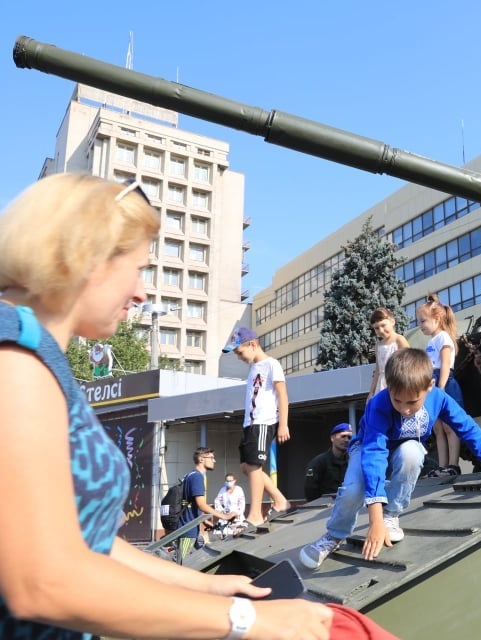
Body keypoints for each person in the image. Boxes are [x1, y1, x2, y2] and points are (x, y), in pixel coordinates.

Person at [0, 174, 333, 638]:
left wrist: (203, 587)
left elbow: (88, 546)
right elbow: (43, 580)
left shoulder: (39, 357)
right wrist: (247, 621)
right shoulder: (13, 358)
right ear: (85, 256)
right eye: (136, 270)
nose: (140, 293)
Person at [299, 348, 481, 569]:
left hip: (405, 447)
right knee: (354, 489)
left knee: (412, 453)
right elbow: (374, 454)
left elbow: (465, 424)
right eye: (398, 400)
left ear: (429, 386)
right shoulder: (379, 405)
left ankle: (391, 514)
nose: (404, 409)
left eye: (412, 402)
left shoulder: (438, 398)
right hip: (367, 446)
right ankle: (334, 535)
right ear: (389, 388)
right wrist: (373, 520)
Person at [223, 327, 291, 527]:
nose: (238, 357)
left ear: (252, 344)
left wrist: (283, 424)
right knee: (246, 467)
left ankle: (255, 514)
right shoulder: (253, 368)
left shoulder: (272, 364)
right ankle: (280, 500)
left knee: (254, 466)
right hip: (250, 423)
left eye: (239, 352)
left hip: (263, 422)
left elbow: (282, 395)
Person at [417, 294, 463, 477]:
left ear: (436, 319)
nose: (420, 325)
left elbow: (445, 364)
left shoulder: (444, 337)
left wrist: (441, 388)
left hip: (444, 384)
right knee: (438, 429)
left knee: (450, 427)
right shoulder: (431, 341)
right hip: (432, 384)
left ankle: (453, 465)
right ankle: (443, 466)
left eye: (423, 321)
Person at [178, 447, 224, 559]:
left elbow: (189, 503)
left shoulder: (190, 475)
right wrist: (224, 516)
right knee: (181, 563)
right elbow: (201, 504)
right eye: (212, 458)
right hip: (188, 531)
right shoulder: (197, 477)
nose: (214, 461)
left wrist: (203, 519)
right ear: (201, 459)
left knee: (200, 558)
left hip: (190, 528)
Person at [367, 307, 409, 399]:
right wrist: (371, 392)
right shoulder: (378, 346)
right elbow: (378, 371)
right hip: (382, 384)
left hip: (397, 381)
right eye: (377, 328)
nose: (381, 330)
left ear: (392, 321)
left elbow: (409, 363)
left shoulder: (399, 340)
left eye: (383, 325)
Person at [304, 423, 352, 500]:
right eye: (343, 436)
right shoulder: (319, 462)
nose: (346, 440)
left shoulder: (352, 462)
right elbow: (310, 491)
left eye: (349, 437)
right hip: (324, 507)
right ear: (332, 438)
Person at [211, 472, 247, 537]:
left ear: (234, 481)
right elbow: (217, 501)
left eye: (230, 481)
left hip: (236, 516)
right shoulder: (222, 490)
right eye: (227, 481)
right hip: (225, 516)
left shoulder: (239, 489)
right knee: (219, 534)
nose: (229, 482)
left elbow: (242, 503)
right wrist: (221, 510)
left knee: (237, 534)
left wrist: (237, 513)